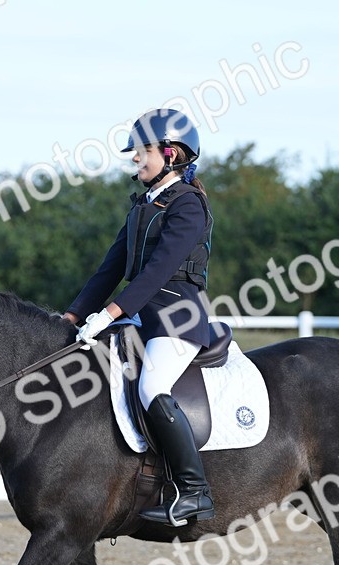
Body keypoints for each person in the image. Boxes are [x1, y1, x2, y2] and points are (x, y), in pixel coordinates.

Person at [62, 108, 215, 526]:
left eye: (142, 152)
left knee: (152, 386)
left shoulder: (188, 206)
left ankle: (195, 490)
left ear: (170, 153)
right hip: (137, 318)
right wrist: (73, 316)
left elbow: (158, 270)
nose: (135, 159)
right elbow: (109, 270)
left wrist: (111, 311)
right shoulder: (142, 206)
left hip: (177, 319)